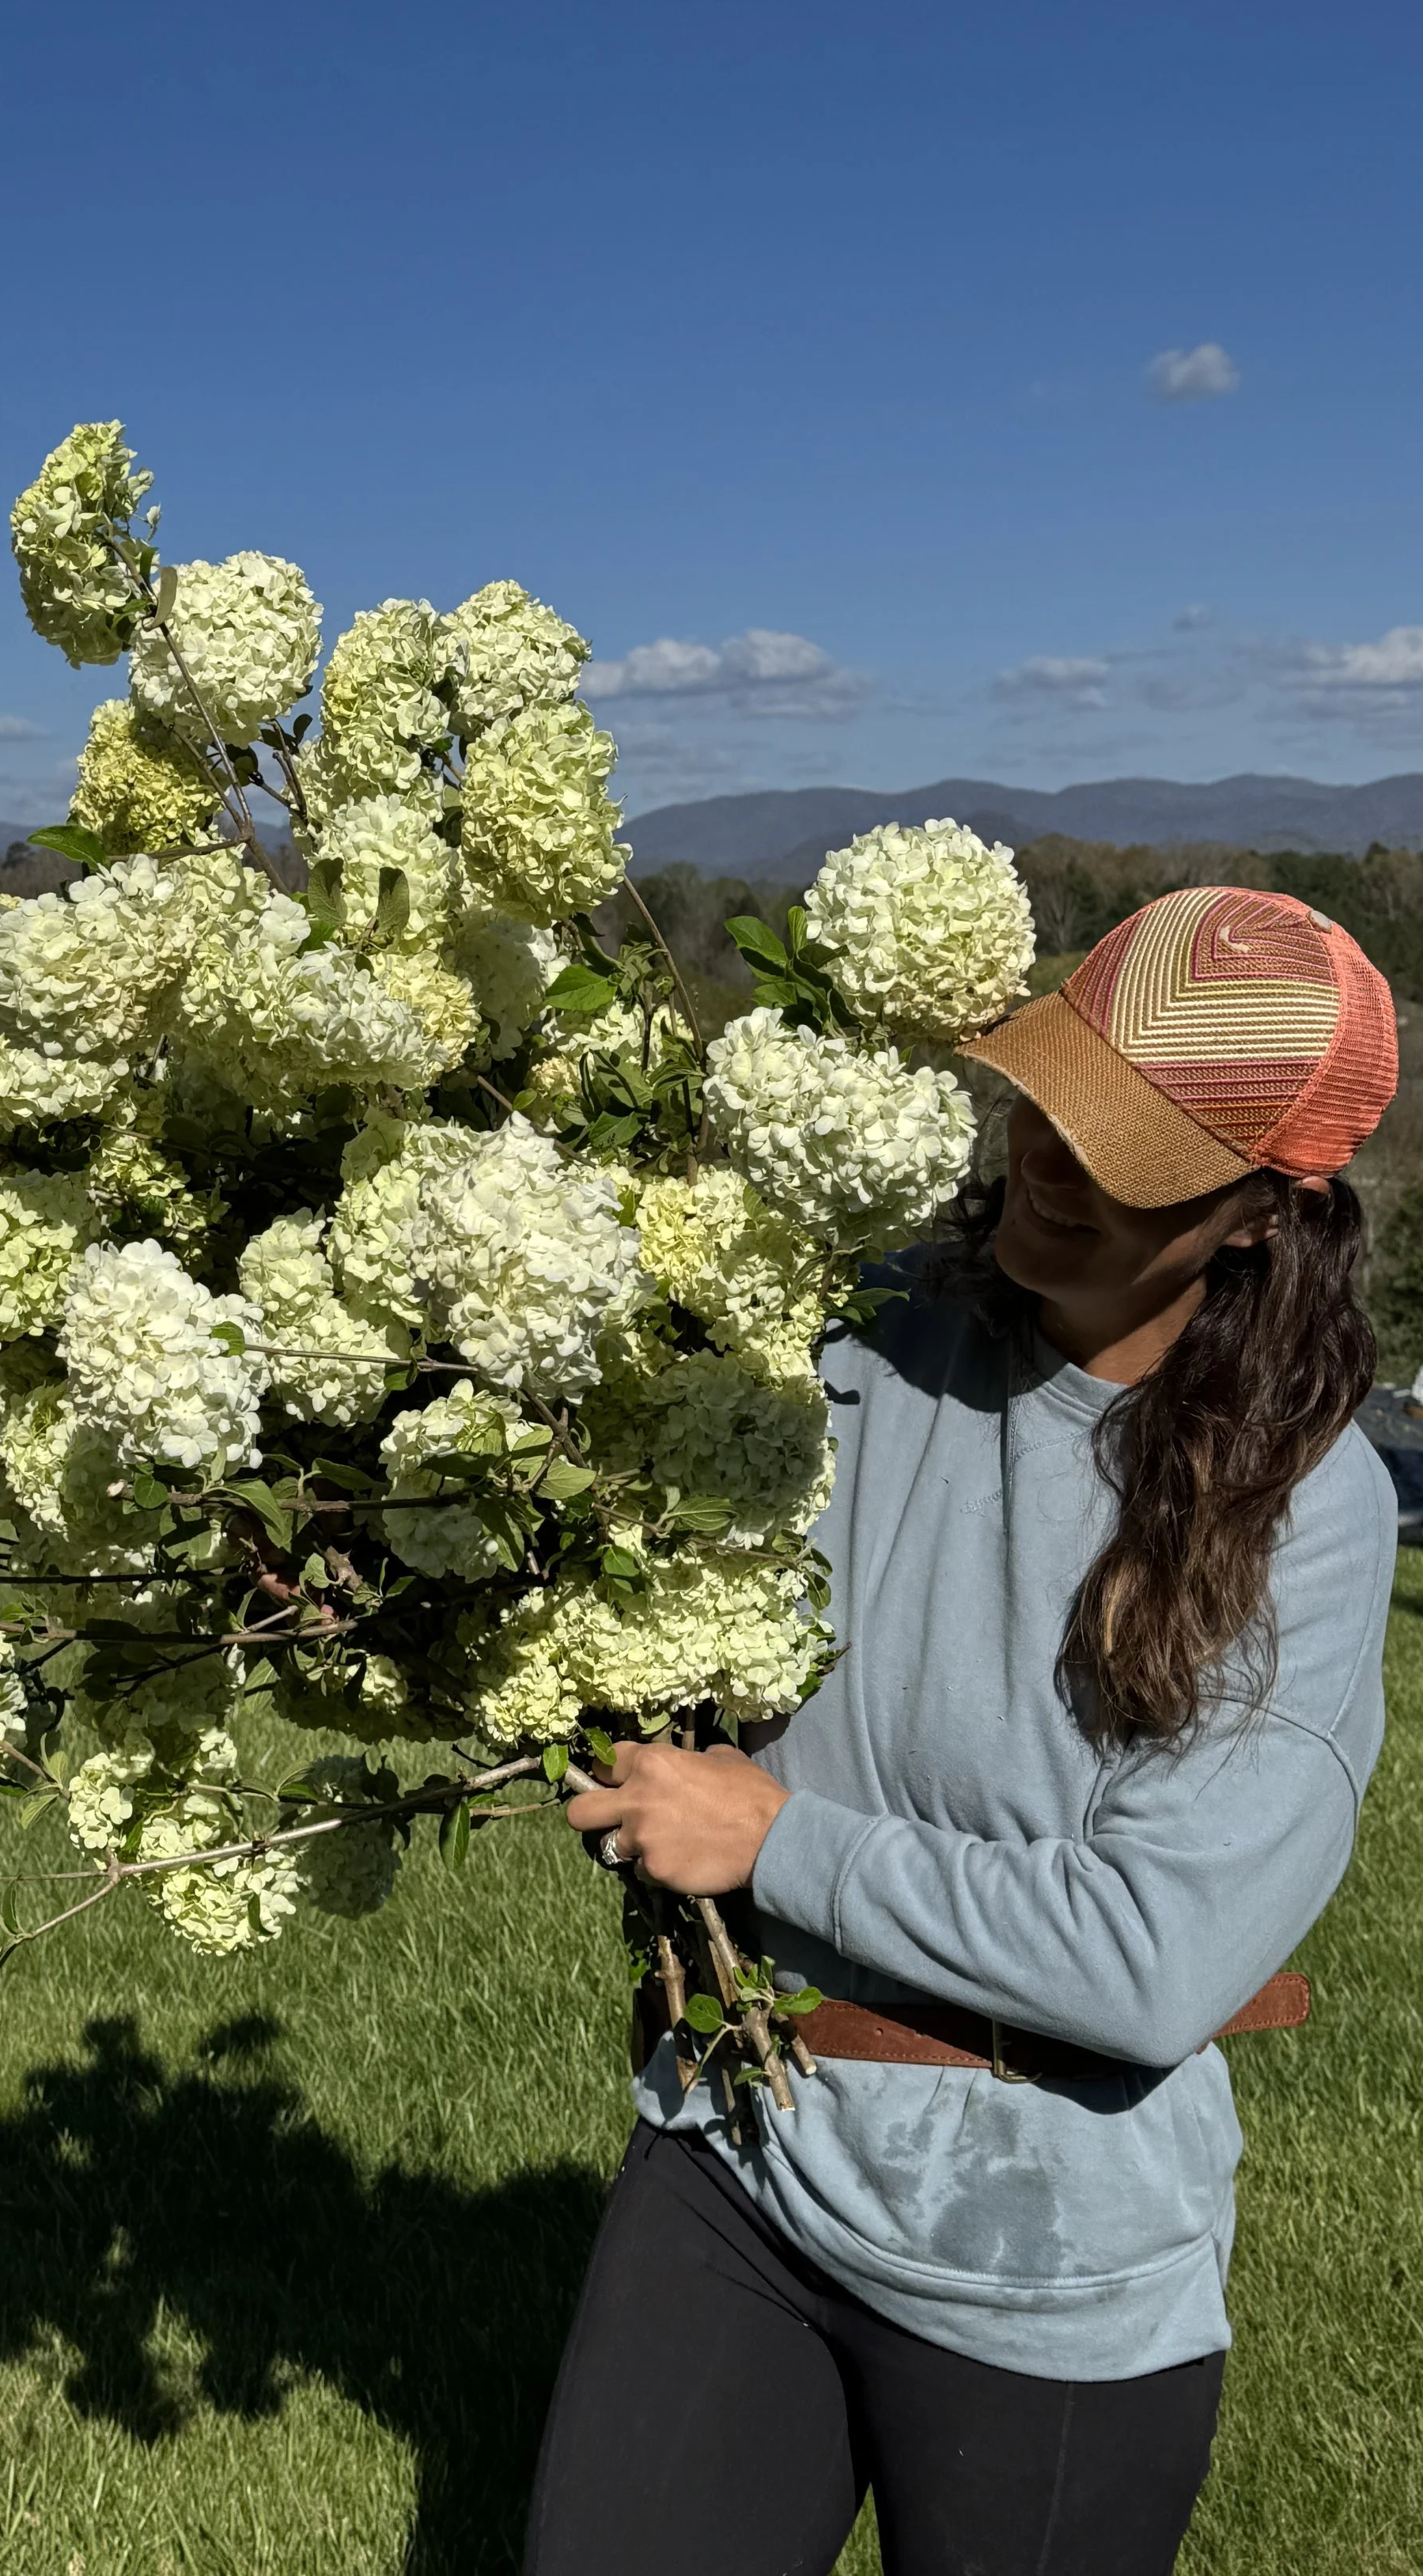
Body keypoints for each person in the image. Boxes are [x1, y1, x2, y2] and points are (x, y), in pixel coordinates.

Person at [531, 886, 1399, 2576]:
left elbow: (1150, 1959)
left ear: (1259, 1215)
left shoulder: (1302, 1506)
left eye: (1131, 1154)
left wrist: (777, 1839)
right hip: (737, 2142)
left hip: (1043, 2253)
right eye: (1049, 1101)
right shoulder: (858, 1331)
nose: (1052, 1162)